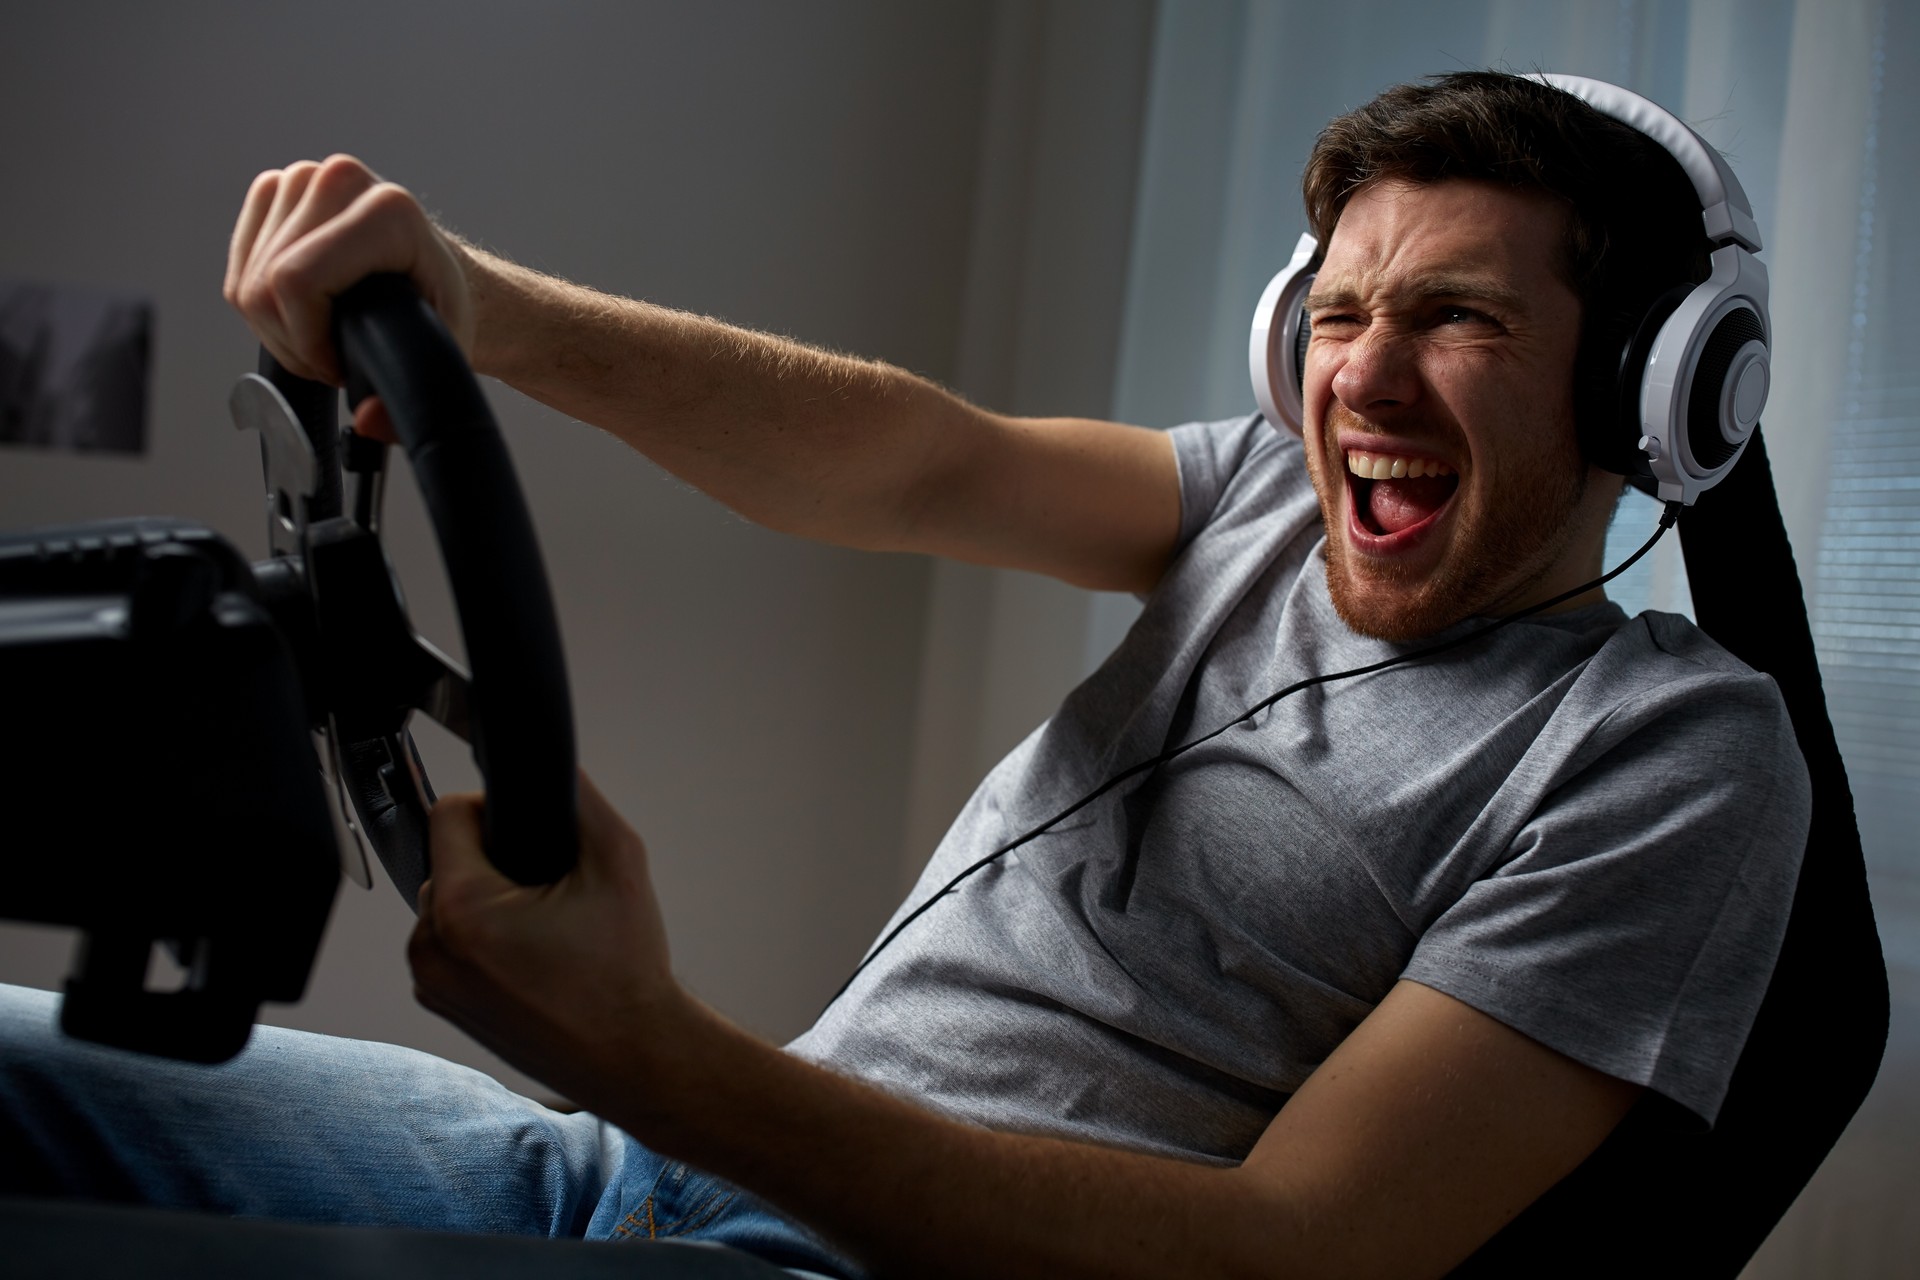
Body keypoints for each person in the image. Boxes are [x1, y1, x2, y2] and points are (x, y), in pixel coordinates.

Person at [0, 71, 1807, 1278]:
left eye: (1463, 319)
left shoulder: (1669, 754)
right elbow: (908, 462)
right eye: (1340, 312)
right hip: (626, 1170)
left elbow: (1292, 1256)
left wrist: (651, 1047)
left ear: (1651, 386)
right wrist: (484, 307)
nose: (1366, 379)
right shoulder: (1267, 492)